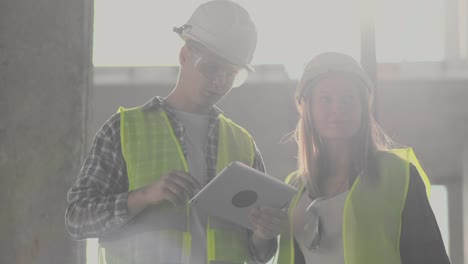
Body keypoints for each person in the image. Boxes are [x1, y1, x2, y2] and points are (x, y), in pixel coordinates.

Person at [65, 1, 282, 263]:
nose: (219, 82)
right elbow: (78, 219)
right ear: (184, 56)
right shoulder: (123, 130)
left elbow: (259, 252)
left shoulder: (243, 145)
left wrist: (264, 234)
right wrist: (145, 196)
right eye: (211, 68)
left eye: (231, 74)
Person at [275, 52, 451, 264]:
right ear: (307, 108)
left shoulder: (397, 174)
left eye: (348, 99)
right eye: (325, 99)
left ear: (363, 108)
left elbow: (431, 257)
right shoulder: (294, 188)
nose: (337, 109)